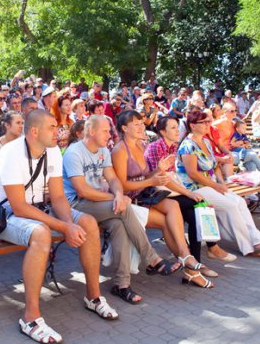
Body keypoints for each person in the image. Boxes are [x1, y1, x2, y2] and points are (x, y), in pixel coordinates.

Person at [0, 110, 118, 343]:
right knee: (41, 233)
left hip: (37, 209)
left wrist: (69, 224)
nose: (58, 131)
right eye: (52, 127)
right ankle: (30, 317)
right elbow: (18, 207)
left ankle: (94, 296)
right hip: (3, 215)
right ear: (34, 131)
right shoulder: (11, 153)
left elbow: (58, 197)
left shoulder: (53, 152)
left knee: (87, 222)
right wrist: (62, 226)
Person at [65, 116, 212, 304]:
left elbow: (113, 180)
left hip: (99, 203)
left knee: (120, 226)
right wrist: (118, 197)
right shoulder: (74, 152)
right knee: (126, 209)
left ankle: (122, 285)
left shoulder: (102, 150)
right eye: (105, 131)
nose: (110, 135)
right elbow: (82, 191)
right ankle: (152, 259)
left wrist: (118, 194)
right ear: (91, 131)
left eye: (109, 131)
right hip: (77, 206)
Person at [111, 110, 216, 286]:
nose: (141, 126)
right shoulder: (120, 150)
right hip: (128, 201)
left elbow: (146, 178)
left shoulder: (141, 145)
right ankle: (190, 266)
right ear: (124, 128)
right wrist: (153, 179)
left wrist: (158, 170)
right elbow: (121, 185)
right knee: (172, 219)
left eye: (141, 123)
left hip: (143, 196)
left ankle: (187, 258)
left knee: (174, 206)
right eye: (135, 124)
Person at [176, 110, 260, 259]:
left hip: (210, 184)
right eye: (204, 122)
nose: (208, 124)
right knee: (231, 206)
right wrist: (216, 186)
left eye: (209, 121)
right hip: (194, 188)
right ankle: (249, 246)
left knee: (239, 201)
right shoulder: (188, 145)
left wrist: (221, 182)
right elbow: (192, 173)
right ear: (193, 125)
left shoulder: (205, 141)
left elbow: (214, 165)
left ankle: (258, 241)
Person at [145, 116, 235, 263]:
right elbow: (162, 180)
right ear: (162, 131)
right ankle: (206, 254)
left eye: (177, 127)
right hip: (157, 193)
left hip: (172, 191)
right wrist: (188, 193)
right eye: (173, 128)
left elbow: (172, 177)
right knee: (199, 205)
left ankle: (197, 261)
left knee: (196, 213)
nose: (177, 131)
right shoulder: (155, 147)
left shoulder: (173, 146)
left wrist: (187, 192)